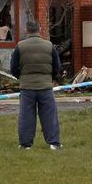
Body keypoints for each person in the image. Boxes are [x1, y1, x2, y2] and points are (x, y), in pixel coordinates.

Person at [10, 19, 62, 150]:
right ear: (39, 29)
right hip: (45, 87)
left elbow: (13, 68)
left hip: (27, 87)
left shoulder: (20, 46)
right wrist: (50, 78)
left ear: (26, 30)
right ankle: (54, 143)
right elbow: (57, 67)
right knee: (49, 115)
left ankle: (25, 144)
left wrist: (21, 77)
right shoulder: (49, 45)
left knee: (26, 116)